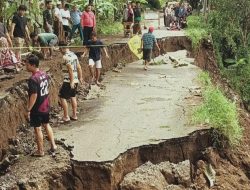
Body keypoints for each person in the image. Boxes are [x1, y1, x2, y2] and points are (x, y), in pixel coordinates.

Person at [26, 54, 57, 157]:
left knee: (38, 129)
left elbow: (34, 95)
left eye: (27, 64)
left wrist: (29, 109)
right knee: (47, 124)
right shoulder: (44, 74)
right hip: (45, 105)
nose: (26, 66)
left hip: (37, 108)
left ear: (33, 65)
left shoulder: (33, 79)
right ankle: (53, 145)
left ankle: (40, 151)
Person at [58, 41, 83, 122]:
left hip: (68, 80)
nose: (59, 50)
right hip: (75, 79)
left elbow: (70, 70)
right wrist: (80, 77)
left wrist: (71, 81)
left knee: (62, 97)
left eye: (59, 48)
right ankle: (74, 115)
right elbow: (79, 67)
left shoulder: (65, 57)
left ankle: (66, 116)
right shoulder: (73, 55)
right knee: (73, 96)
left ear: (62, 48)